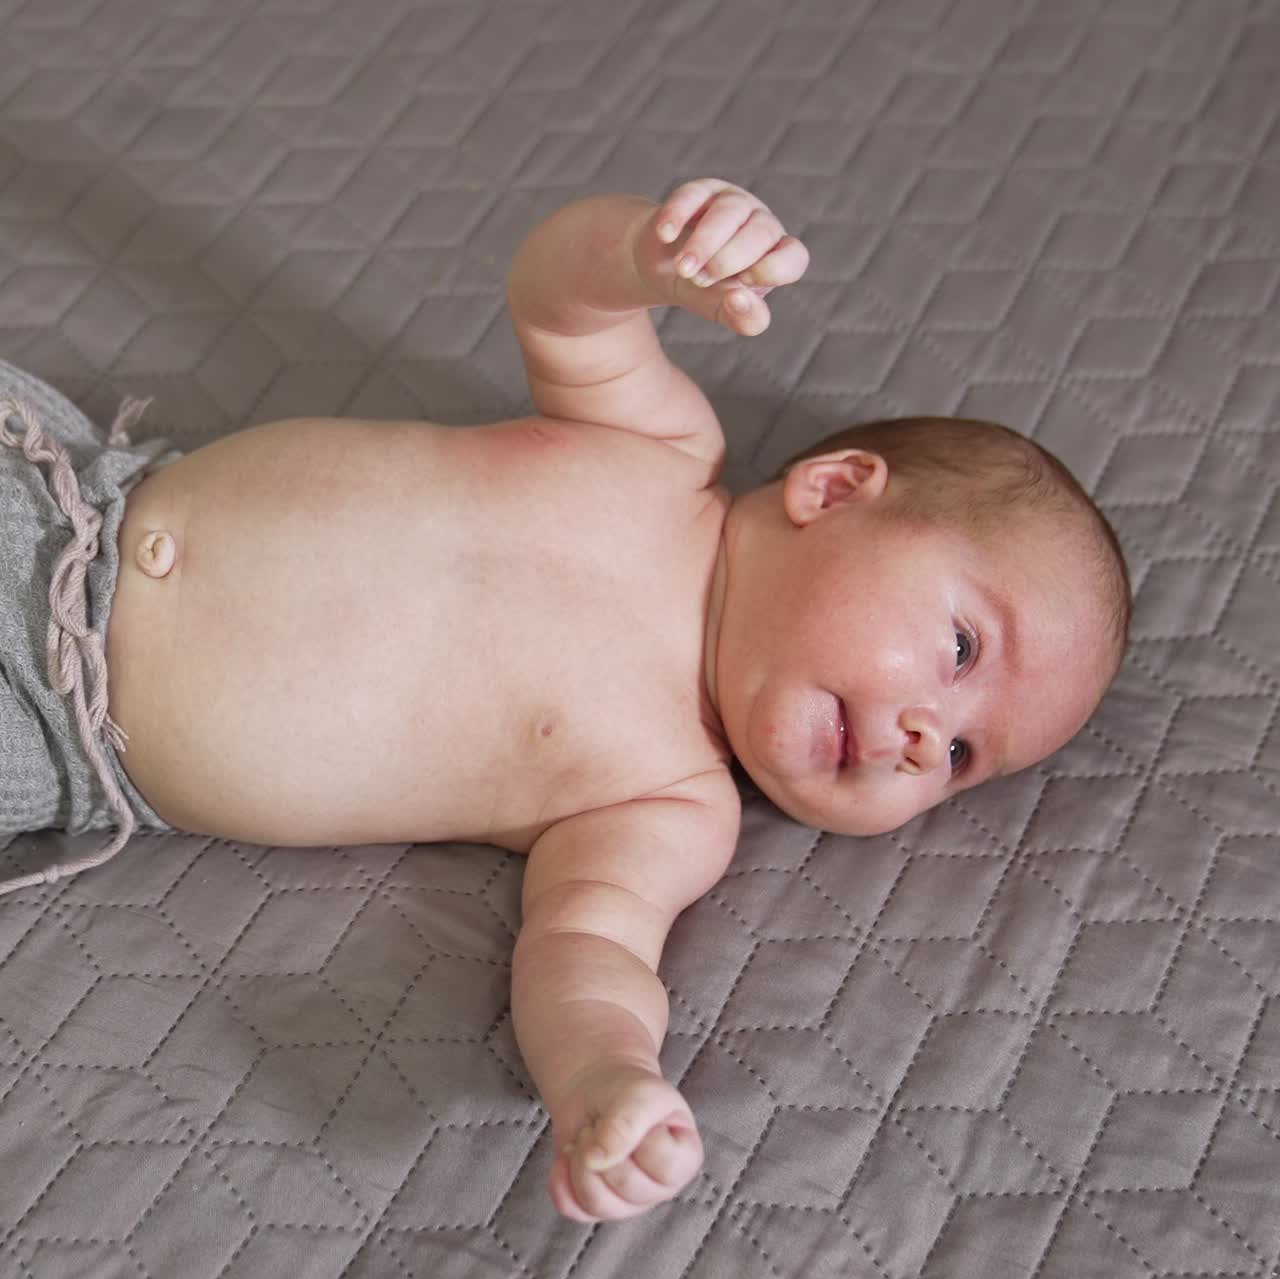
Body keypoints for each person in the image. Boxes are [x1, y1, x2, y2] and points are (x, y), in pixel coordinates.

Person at [0, 179, 1129, 1222]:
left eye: (967, 756)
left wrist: (603, 1075)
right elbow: (562, 297)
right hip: (59, 483)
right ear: (831, 491)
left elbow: (585, 948)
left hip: (55, 725)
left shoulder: (671, 800)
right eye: (960, 642)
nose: (927, 733)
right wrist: (654, 252)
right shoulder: (655, 446)